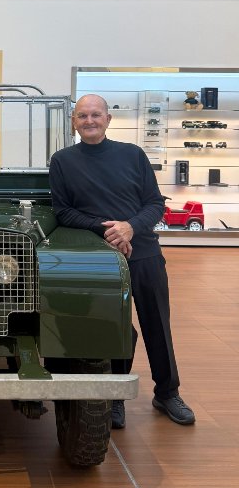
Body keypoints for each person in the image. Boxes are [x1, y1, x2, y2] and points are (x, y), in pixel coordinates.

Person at [49, 94, 195, 429]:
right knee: (111, 327)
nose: (89, 121)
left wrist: (129, 228)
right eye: (83, 116)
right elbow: (64, 211)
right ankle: (114, 397)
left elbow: (155, 204)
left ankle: (168, 392)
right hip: (98, 256)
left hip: (142, 250)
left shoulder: (132, 154)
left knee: (157, 322)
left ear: (108, 119)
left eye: (96, 115)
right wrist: (107, 231)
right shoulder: (62, 161)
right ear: (73, 121)